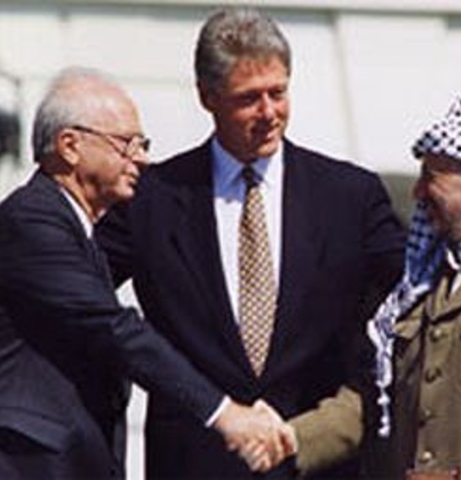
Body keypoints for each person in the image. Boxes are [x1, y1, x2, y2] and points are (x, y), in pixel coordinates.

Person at [97, 7, 405, 479]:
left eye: (278, 93)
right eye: (248, 99)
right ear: (207, 97)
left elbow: (417, 299)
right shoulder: (151, 200)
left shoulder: (351, 197)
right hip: (195, 464)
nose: (268, 113)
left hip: (318, 463)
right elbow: (73, 293)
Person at [0, 66, 288, 479]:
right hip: (30, 462)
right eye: (126, 143)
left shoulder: (80, 232)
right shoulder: (31, 222)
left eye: (143, 144)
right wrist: (223, 413)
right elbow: (113, 327)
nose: (142, 157)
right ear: (70, 145)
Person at [366, 95, 461, 479]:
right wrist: (293, 437)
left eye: (431, 177)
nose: (417, 193)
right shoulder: (420, 285)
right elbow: (369, 400)